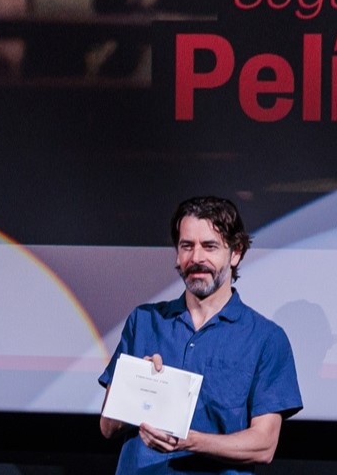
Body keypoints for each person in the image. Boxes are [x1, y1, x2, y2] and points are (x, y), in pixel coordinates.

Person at [98, 196, 302, 473]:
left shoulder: (266, 338)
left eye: (209, 246)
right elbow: (107, 427)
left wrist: (191, 441)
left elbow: (263, 446)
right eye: (186, 246)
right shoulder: (145, 321)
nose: (196, 258)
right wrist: (135, 388)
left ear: (236, 252)